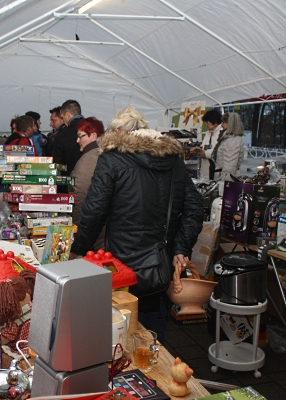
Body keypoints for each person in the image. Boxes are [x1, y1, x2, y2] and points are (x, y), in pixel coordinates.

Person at [69, 106, 204, 343]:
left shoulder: (112, 159)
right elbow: (195, 208)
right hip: (159, 267)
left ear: (119, 132)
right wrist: (181, 249)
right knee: (152, 339)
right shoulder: (172, 160)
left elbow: (94, 210)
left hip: (119, 266)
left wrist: (78, 249)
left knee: (116, 333)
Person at [68, 116, 105, 250]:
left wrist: (78, 228)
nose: (77, 140)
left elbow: (79, 194)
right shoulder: (103, 154)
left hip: (91, 231)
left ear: (93, 135)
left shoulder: (89, 159)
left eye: (80, 136)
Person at [52, 100, 84, 179]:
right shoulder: (94, 130)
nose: (63, 121)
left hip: (68, 182)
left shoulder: (61, 136)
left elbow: (58, 166)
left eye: (62, 117)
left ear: (68, 115)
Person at [210, 112, 245, 182]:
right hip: (221, 177)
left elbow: (229, 168)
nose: (221, 125)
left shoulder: (232, 141)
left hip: (225, 180)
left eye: (223, 122)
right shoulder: (227, 139)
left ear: (230, 124)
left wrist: (224, 184)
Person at [190, 109, 222, 179]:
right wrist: (197, 150)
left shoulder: (221, 134)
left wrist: (205, 153)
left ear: (215, 122)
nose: (206, 124)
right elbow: (204, 147)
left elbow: (219, 151)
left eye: (208, 122)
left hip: (215, 171)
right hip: (205, 169)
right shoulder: (208, 133)